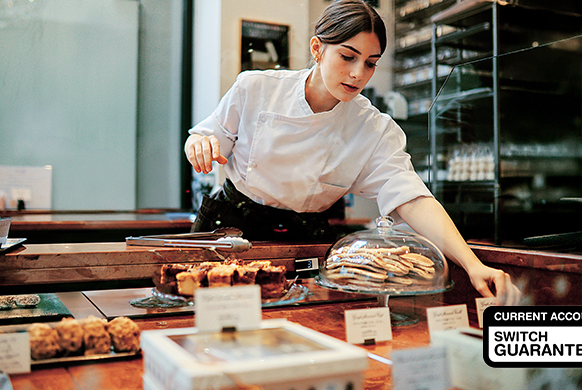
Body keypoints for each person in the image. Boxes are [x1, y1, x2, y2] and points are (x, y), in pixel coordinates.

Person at [185, 0, 521, 305]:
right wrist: (197, 144)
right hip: (231, 231)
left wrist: (474, 265)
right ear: (317, 49)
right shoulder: (255, 88)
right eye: (348, 57)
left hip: (307, 240)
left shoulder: (373, 127)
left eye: (370, 63)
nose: (358, 73)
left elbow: (412, 198)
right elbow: (204, 136)